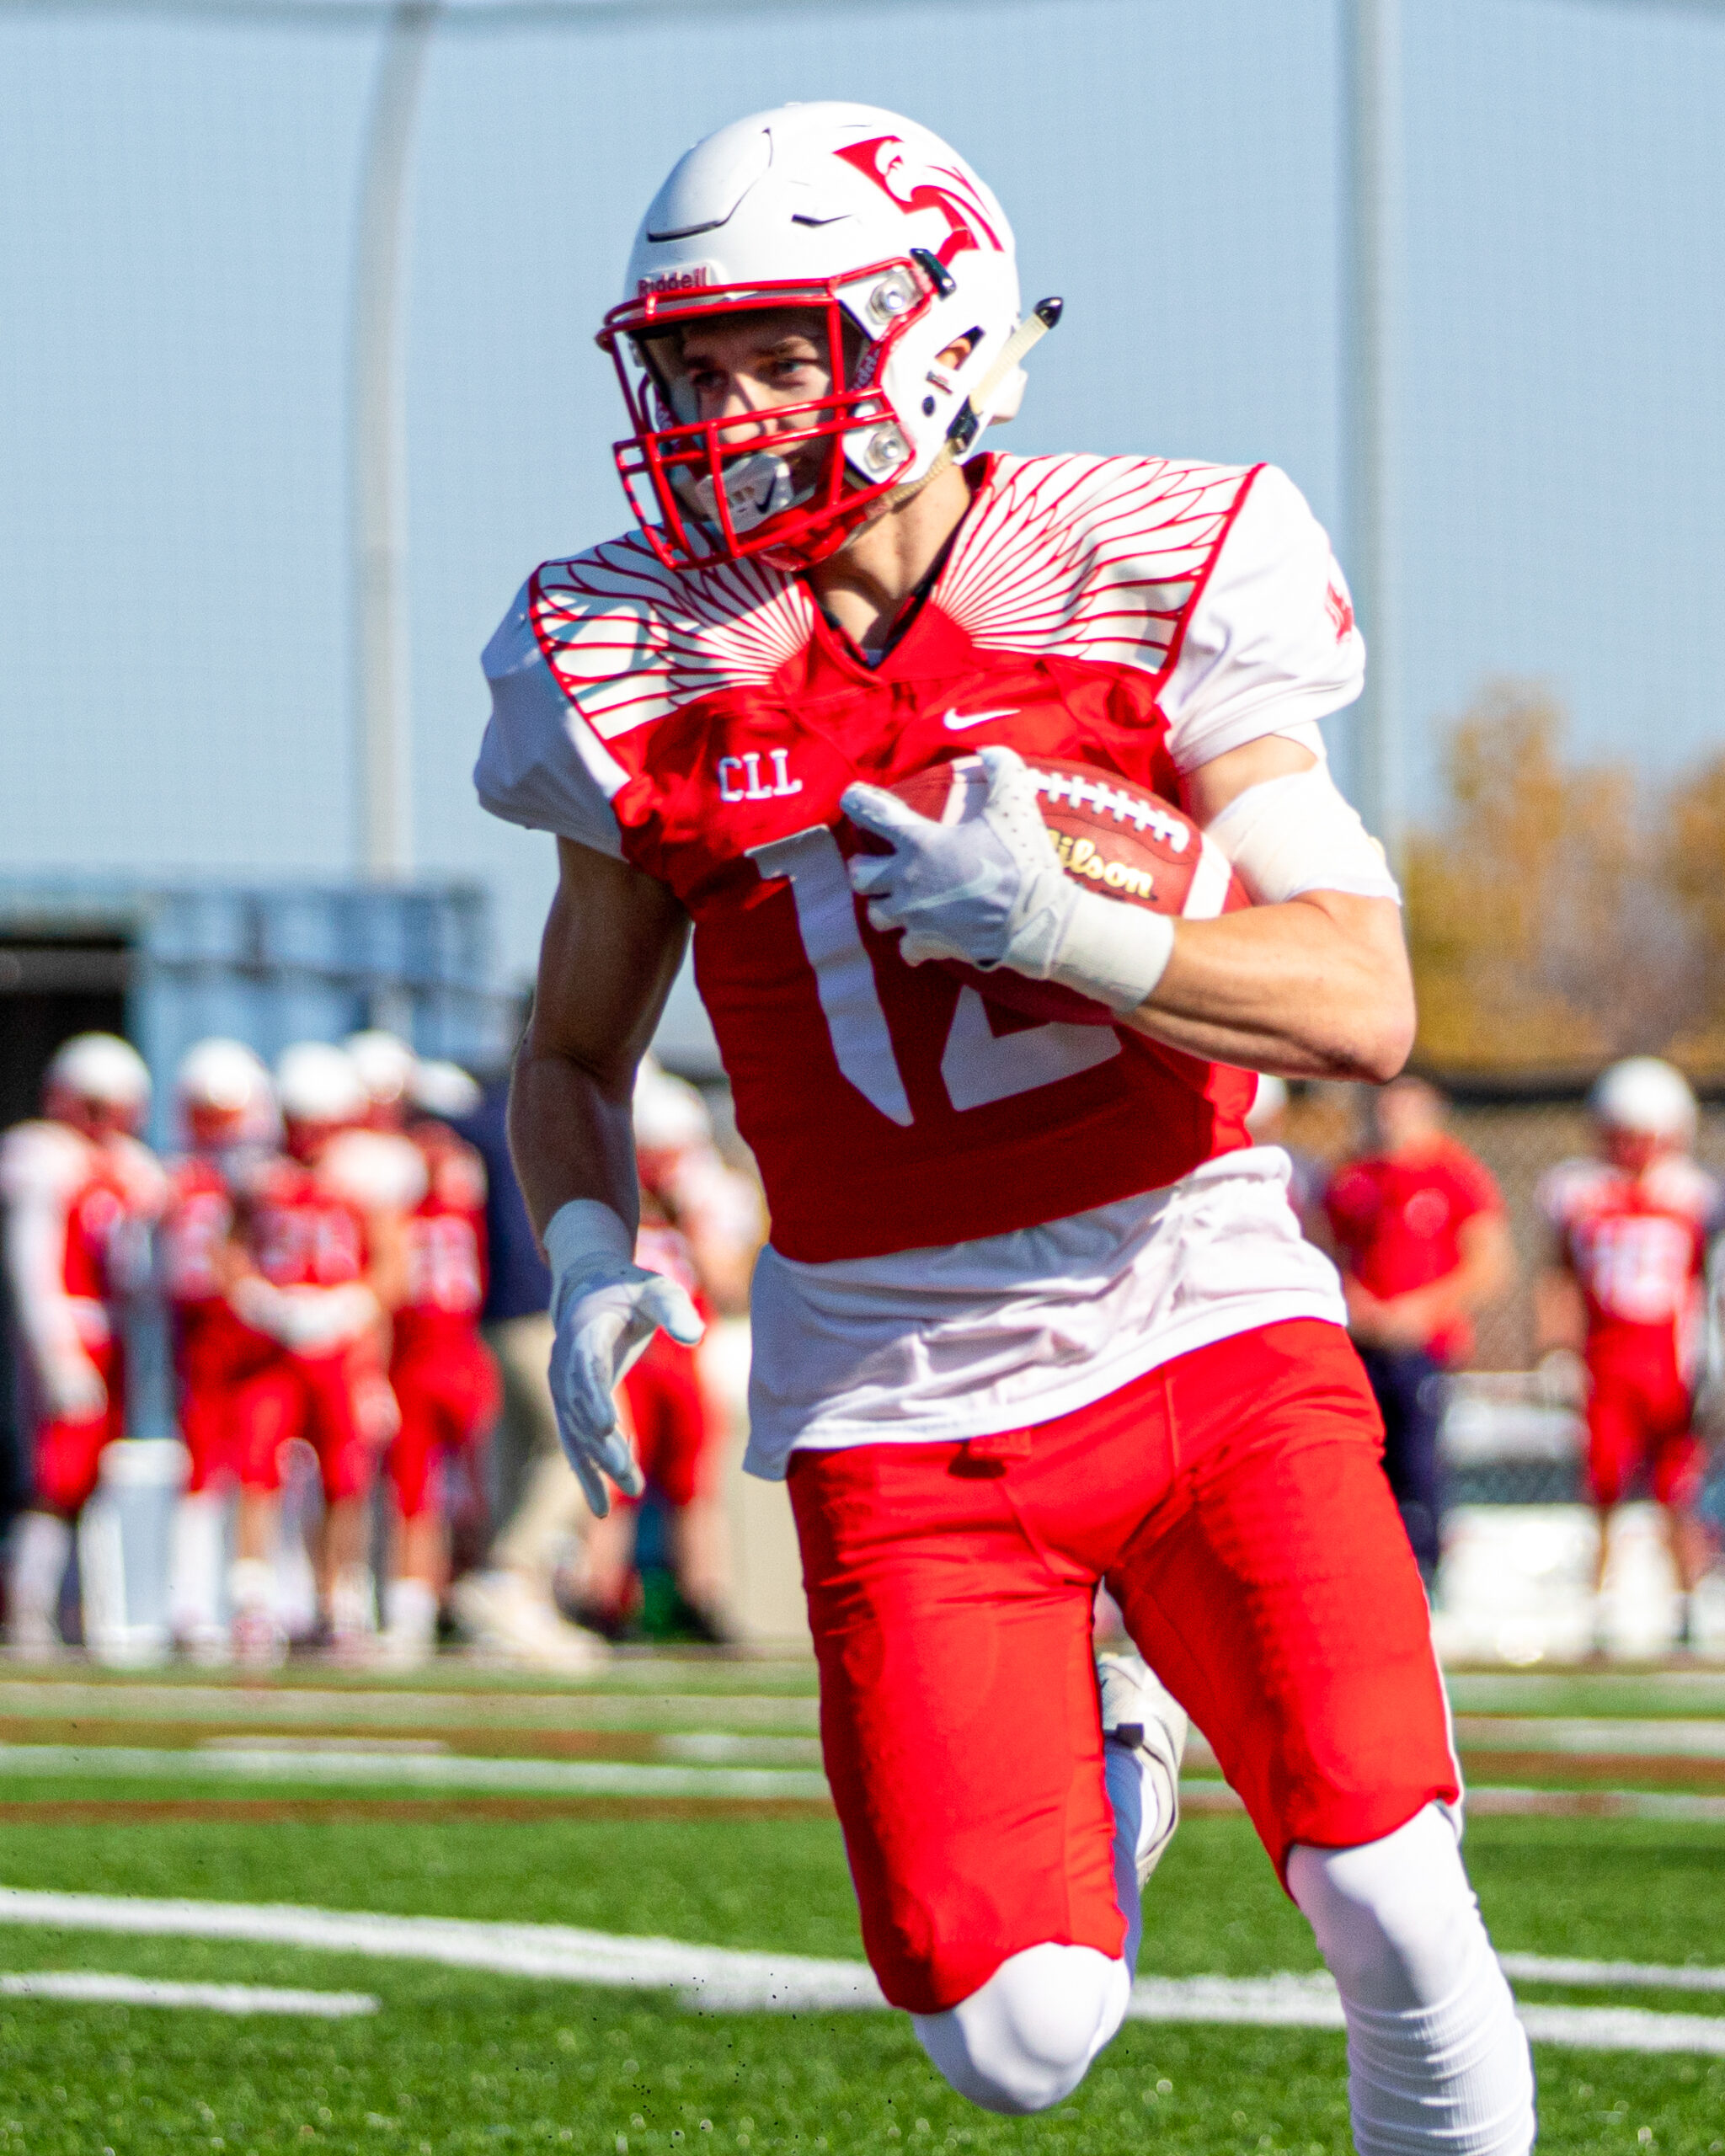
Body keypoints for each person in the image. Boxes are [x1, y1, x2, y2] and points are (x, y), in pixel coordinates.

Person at [476, 104, 1533, 2151]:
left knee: (1388, 1885)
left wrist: (1069, 926)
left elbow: (1361, 996)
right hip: (891, 1372)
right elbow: (572, 1054)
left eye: (774, 356)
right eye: (692, 368)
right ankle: (1119, 1742)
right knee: (1014, 2037)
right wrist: (589, 1250)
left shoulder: (1146, 563)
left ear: (940, 334)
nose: (724, 415)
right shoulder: (633, 647)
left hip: (1195, 1302)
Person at [225, 1043, 409, 1658]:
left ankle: (340, 1599)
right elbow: (230, 1251)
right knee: (257, 1468)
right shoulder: (259, 1171)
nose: (306, 1136)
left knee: (344, 1477)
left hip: (341, 1350)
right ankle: (252, 1602)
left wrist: (348, 1309)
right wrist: (261, 1301)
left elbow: (393, 1265)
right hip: (272, 1349)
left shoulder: (367, 1173)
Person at [1536, 1057, 1721, 1652]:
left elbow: (1711, 1286)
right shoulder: (1578, 1193)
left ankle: (1689, 1609)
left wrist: (1712, 1360)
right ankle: (1598, 1610)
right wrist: (1557, 1348)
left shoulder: (1696, 1196)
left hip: (1671, 1365)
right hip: (1606, 1364)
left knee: (1678, 1493)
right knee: (1604, 1491)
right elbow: (1560, 1277)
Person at [1, 1033, 166, 1655]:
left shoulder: (130, 1168)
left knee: (95, 1480)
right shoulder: (44, 1158)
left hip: (117, 1341)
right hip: (73, 1334)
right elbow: (33, 1264)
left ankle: (79, 1612)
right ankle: (29, 1609)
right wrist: (57, 1354)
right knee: (56, 1477)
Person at [1325, 1075, 1514, 1585]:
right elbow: (1327, 1249)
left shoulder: (1457, 1176)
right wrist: (1356, 1302)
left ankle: (1424, 1572)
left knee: (1420, 1462)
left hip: (1424, 1348)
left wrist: (1421, 1311)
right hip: (1360, 1344)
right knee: (1361, 1458)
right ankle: (1365, 1569)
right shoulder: (1354, 1175)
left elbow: (1489, 1263)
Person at [160, 1038, 281, 1660]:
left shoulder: (268, 1178)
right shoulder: (176, 1179)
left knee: (262, 1465)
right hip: (206, 1334)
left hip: (260, 1340)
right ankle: (193, 1603)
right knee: (205, 1468)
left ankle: (251, 1601)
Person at [380, 1059, 501, 1664]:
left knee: (483, 1492)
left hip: (470, 1355)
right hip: (414, 1362)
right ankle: (415, 1610)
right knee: (414, 1494)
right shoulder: (393, 1198)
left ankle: (478, 1603)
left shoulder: (488, 1194)